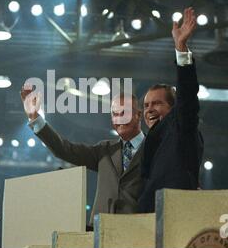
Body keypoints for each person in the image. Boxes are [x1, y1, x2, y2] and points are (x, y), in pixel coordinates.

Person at [20, 88, 145, 225]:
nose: (119, 118)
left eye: (124, 113)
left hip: (140, 232)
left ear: (138, 115)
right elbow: (64, 150)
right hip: (99, 233)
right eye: (115, 114)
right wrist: (35, 118)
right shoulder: (104, 150)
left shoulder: (155, 149)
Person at [138, 7, 204, 213]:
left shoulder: (180, 125)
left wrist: (181, 48)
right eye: (146, 105)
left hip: (176, 216)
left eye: (156, 103)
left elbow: (187, 94)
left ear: (173, 108)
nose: (149, 109)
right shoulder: (151, 141)